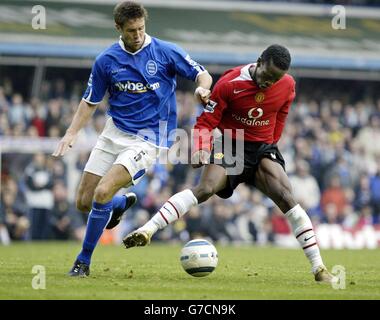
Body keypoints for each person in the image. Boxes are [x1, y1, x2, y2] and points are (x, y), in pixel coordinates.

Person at [123, 44, 335, 283]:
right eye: (267, 75)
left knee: (287, 198)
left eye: (276, 79)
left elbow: (282, 112)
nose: (269, 83)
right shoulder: (230, 83)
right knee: (204, 190)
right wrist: (202, 149)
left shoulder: (287, 85)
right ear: (259, 62)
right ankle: (147, 230)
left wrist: (271, 143)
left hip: (262, 149)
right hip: (230, 146)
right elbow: (205, 122)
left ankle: (319, 269)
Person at [52, 1, 212, 277]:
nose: (137, 35)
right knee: (83, 201)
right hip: (114, 132)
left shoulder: (165, 51)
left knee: (102, 192)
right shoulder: (106, 60)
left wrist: (202, 89)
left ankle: (83, 261)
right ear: (118, 28)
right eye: (131, 30)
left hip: (151, 137)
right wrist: (71, 132)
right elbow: (90, 101)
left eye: (141, 29)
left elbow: (202, 74)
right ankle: (119, 204)